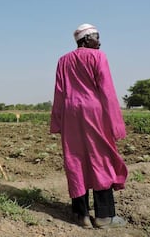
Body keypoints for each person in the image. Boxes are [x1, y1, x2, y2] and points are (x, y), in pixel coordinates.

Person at [50, 23, 128, 229]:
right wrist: (117, 126)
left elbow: (59, 93)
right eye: (96, 37)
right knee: (100, 158)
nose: (99, 42)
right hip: (94, 112)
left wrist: (57, 122)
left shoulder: (63, 61)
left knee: (75, 159)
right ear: (86, 39)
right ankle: (104, 217)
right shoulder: (99, 57)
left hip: (70, 114)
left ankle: (81, 215)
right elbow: (107, 91)